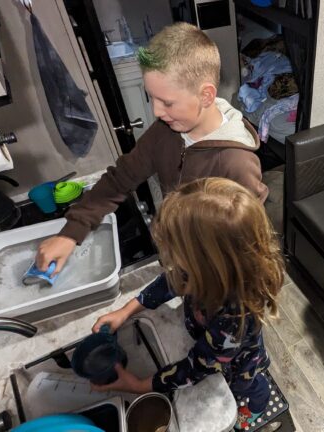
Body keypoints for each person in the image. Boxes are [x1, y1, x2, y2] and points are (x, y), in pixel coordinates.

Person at [36, 22, 267, 275]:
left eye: (167, 102)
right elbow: (120, 177)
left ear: (206, 96)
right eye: (152, 98)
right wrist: (71, 232)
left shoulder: (237, 163)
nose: (156, 112)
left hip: (211, 270)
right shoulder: (165, 132)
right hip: (175, 254)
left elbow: (248, 242)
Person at [91, 178, 284, 430]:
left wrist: (140, 386)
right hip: (216, 347)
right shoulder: (204, 270)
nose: (171, 258)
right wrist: (127, 309)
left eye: (175, 251)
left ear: (205, 264)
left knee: (248, 384)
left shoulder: (233, 317)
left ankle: (258, 406)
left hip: (239, 363)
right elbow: (170, 281)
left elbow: (199, 366)